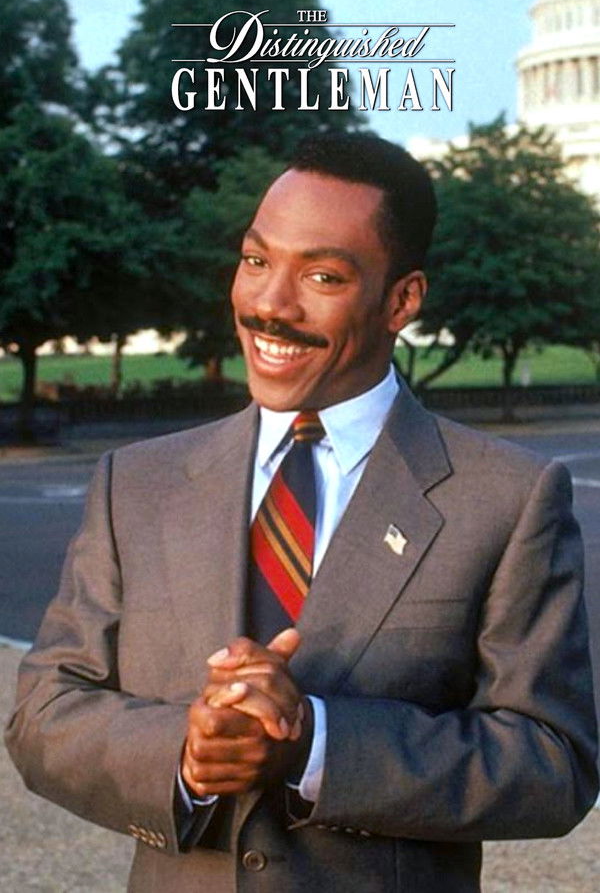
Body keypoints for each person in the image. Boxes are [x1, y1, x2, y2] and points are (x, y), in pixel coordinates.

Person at [5, 133, 598, 893]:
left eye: (322, 276)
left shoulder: (510, 498)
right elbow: (44, 713)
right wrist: (185, 756)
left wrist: (316, 743)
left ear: (402, 300)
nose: (269, 305)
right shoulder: (136, 482)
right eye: (256, 260)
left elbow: (554, 764)